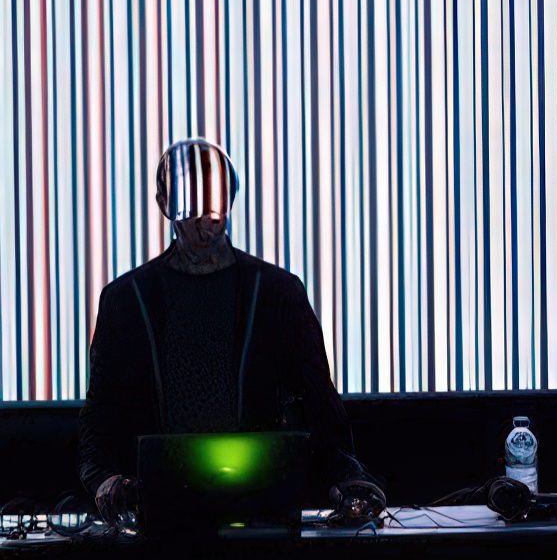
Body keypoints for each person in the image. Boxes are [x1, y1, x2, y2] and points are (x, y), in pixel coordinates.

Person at [78, 139, 383, 524]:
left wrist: (350, 480)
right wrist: (104, 480)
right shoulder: (126, 300)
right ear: (164, 204)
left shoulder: (277, 293)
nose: (206, 222)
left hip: (260, 504)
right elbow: (100, 416)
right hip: (161, 510)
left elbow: (320, 405)